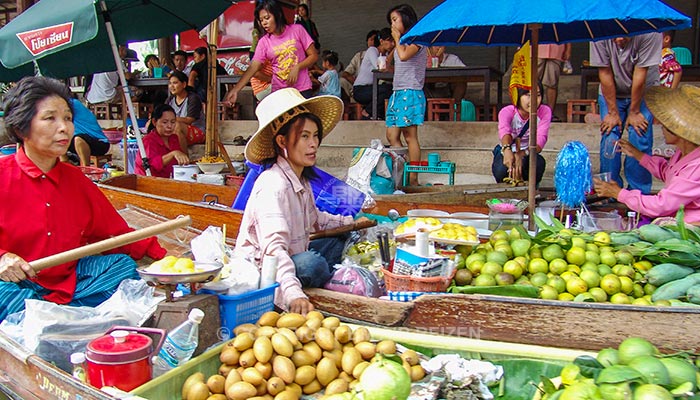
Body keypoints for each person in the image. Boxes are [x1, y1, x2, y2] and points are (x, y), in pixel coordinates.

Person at [0, 76, 166, 322]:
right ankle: (65, 318)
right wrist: (3, 257)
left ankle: (56, 318)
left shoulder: (76, 180)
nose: (64, 128)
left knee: (122, 266)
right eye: (50, 118)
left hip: (71, 280)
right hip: (20, 285)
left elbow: (117, 235)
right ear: (20, 128)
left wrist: (165, 258)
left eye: (67, 118)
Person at [234, 87, 370, 314]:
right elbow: (274, 251)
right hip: (263, 271)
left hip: (292, 254)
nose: (313, 144)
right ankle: (304, 284)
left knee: (338, 240)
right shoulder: (273, 186)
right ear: (282, 141)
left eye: (315, 135)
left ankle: (318, 273)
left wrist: (353, 222)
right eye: (304, 136)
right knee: (312, 263)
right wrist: (293, 294)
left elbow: (317, 220)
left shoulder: (301, 181)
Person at [594, 85, 700, 224]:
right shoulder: (682, 152)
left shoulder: (696, 167)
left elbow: (661, 205)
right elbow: (668, 172)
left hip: (688, 226)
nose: (662, 128)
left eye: (666, 126)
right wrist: (638, 155)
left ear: (679, 133)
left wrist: (619, 193)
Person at [590, 33, 662, 195]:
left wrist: (635, 112)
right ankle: (609, 188)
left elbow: (640, 76)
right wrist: (613, 112)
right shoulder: (599, 32)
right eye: (614, 36)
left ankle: (638, 193)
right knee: (610, 136)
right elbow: (605, 72)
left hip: (644, 90)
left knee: (639, 135)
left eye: (624, 36)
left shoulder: (650, 33)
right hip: (611, 91)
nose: (619, 41)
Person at [223, 0, 318, 106]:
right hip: (280, 93)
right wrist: (236, 90)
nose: (264, 23)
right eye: (261, 20)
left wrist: (298, 67)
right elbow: (253, 67)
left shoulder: (297, 30)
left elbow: (313, 55)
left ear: (278, 15)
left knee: (305, 121)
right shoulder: (263, 42)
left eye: (267, 18)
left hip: (302, 89)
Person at [385, 4, 426, 186]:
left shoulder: (417, 39)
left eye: (395, 20)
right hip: (398, 91)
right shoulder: (402, 41)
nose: (392, 24)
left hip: (410, 92)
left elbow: (403, 56)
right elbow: (391, 61)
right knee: (391, 135)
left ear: (406, 18)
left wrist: (396, 38)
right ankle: (401, 171)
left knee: (410, 136)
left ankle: (413, 178)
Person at [492, 84, 551, 186]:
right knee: (501, 170)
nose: (533, 100)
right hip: (507, 150)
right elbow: (505, 132)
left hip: (528, 152)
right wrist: (507, 149)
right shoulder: (507, 112)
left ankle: (530, 190)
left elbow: (540, 140)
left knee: (538, 164)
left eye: (537, 95)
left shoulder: (544, 111)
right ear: (518, 96)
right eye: (527, 95)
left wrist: (521, 154)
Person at [135, 104, 189, 178]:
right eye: (165, 122)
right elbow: (154, 164)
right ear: (154, 122)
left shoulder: (174, 138)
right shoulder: (148, 140)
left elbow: (179, 161)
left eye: (173, 122)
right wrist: (173, 154)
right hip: (148, 182)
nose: (169, 126)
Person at [352, 27, 395, 119]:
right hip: (360, 90)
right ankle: (367, 111)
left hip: (371, 88)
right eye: (390, 41)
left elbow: (387, 69)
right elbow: (381, 67)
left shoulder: (385, 55)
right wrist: (394, 50)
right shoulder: (372, 50)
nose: (393, 44)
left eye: (394, 41)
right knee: (389, 89)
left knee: (391, 89)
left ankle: (373, 114)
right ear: (381, 41)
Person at [62, 98, 111, 166]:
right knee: (56, 139)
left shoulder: (72, 104)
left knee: (78, 139)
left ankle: (86, 169)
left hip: (100, 143)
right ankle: (66, 166)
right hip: (78, 142)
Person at [166, 70, 205, 152]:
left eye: (175, 83)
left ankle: (184, 158)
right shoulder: (170, 100)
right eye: (170, 83)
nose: (171, 86)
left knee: (177, 126)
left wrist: (170, 119)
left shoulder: (192, 98)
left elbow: (189, 120)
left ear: (184, 84)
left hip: (198, 131)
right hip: (177, 130)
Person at [341, 30, 379, 101]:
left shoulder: (382, 55)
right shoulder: (359, 56)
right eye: (371, 39)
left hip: (372, 86)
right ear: (367, 41)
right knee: (341, 81)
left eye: (375, 39)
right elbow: (346, 73)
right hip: (358, 86)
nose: (373, 42)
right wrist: (357, 82)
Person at [537, 43, 571, 121]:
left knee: (552, 83)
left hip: (556, 50)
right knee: (533, 83)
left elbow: (566, 31)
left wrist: (568, 49)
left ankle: (550, 114)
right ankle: (533, 111)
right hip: (535, 49)